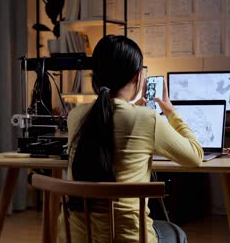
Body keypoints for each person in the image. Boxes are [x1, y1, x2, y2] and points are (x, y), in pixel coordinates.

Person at [57, 35, 204, 243]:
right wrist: (171, 112)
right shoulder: (147, 118)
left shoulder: (76, 117)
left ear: (95, 77)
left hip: (77, 238)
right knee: (177, 234)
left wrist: (137, 113)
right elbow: (195, 156)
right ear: (138, 77)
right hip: (129, 239)